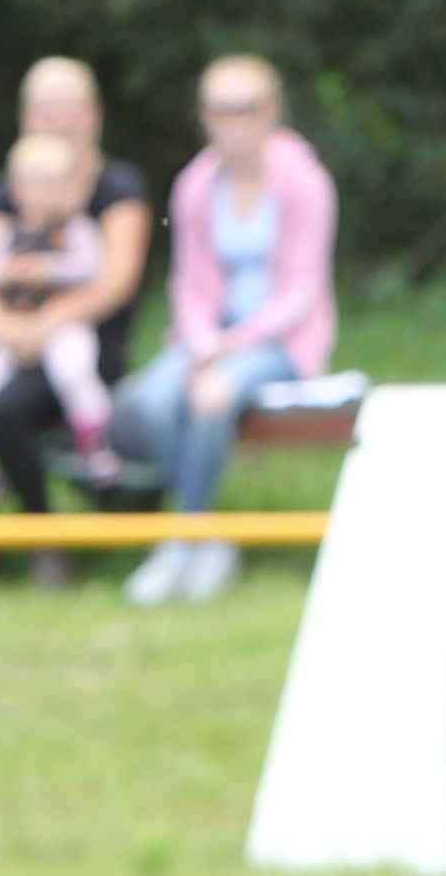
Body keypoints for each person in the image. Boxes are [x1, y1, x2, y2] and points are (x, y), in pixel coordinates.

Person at [117, 54, 339, 606]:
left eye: (248, 108)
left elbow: (300, 292)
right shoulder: (194, 185)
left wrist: (226, 348)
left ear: (272, 112)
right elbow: (188, 284)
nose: (236, 121)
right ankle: (206, 535)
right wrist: (201, 341)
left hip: (281, 341)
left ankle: (185, 539)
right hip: (209, 336)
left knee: (211, 396)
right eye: (223, 109)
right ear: (205, 115)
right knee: (148, 399)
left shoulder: (305, 181)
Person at [0, 56, 153, 585]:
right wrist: (8, 330)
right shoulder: (3, 190)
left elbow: (115, 280)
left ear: (93, 116)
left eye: (70, 107)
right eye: (48, 108)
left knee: (5, 411)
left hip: (86, 346)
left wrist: (48, 324)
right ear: (26, 118)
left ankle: (44, 541)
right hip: (14, 340)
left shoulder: (118, 187)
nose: (60, 119)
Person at [0, 137, 122, 483]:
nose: (49, 193)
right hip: (18, 326)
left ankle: (95, 444)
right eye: (39, 184)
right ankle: (4, 462)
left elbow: (93, 269)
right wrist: (6, 276)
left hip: (65, 326)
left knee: (73, 370)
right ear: (18, 190)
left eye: (57, 183)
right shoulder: (9, 234)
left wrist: (45, 268)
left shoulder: (77, 230)